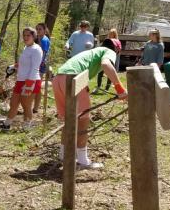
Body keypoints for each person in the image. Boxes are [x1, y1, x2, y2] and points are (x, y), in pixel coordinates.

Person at [52, 39, 128, 169]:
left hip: (58, 78)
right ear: (118, 50)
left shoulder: (94, 51)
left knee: (70, 120)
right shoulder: (109, 51)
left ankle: (63, 155)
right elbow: (106, 65)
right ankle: (82, 160)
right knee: (83, 121)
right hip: (74, 78)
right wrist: (120, 89)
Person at [0, 27, 42, 130]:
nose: (26, 37)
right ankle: (7, 124)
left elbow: (35, 67)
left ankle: (27, 127)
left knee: (26, 105)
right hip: (20, 80)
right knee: (14, 103)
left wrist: (29, 84)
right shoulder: (26, 48)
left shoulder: (36, 49)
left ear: (34, 36)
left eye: (28, 35)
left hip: (31, 81)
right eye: (24, 35)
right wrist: (13, 66)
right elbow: (23, 64)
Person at [93, 28, 122, 93]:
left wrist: (115, 53)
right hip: (104, 57)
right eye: (110, 33)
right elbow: (102, 48)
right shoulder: (107, 40)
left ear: (115, 34)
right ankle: (98, 86)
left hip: (111, 58)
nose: (110, 35)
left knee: (110, 74)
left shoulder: (117, 41)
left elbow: (119, 50)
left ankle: (106, 89)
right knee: (100, 73)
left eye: (112, 34)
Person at [32, 22, 50, 114]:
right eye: (37, 29)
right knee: (35, 86)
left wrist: (37, 66)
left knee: (37, 86)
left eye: (40, 29)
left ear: (44, 30)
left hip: (41, 66)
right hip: (36, 65)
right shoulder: (37, 39)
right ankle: (34, 107)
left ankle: (35, 108)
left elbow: (43, 54)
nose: (38, 31)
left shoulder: (44, 40)